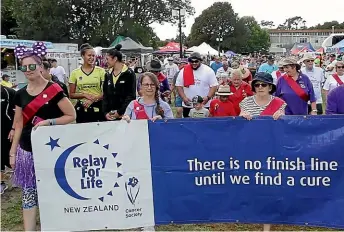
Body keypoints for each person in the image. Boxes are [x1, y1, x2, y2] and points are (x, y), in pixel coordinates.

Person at [11, 42, 76, 231]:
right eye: (24, 67)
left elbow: (71, 116)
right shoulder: (20, 94)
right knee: (29, 193)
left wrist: (49, 122)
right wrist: (13, 151)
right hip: (27, 151)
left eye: (32, 66)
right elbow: (18, 123)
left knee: (53, 191)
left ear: (41, 66)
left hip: (51, 150)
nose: (28, 70)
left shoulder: (54, 89)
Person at [69, 43, 106, 123]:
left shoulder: (101, 71)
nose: (92, 58)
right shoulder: (75, 73)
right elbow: (71, 94)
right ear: (83, 56)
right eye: (89, 55)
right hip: (82, 108)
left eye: (93, 56)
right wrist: (84, 95)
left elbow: (106, 92)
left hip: (98, 106)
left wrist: (93, 99)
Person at [175, 52, 218, 118]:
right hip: (189, 105)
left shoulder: (208, 71)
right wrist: (184, 97)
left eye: (196, 61)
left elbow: (214, 86)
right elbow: (178, 85)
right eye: (192, 61)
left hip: (204, 105)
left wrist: (208, 97)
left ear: (200, 61)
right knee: (189, 125)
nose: (194, 63)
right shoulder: (184, 70)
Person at [102, 44, 136, 121]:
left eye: (107, 59)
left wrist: (120, 112)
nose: (106, 61)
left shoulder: (129, 73)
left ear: (115, 59)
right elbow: (105, 95)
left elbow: (131, 96)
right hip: (110, 116)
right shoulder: (107, 74)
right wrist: (105, 113)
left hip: (124, 116)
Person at [1, 85, 15, 194]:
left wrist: (14, 128)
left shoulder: (9, 92)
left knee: (10, 154)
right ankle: (2, 183)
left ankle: (16, 177)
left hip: (8, 130)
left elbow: (17, 113)